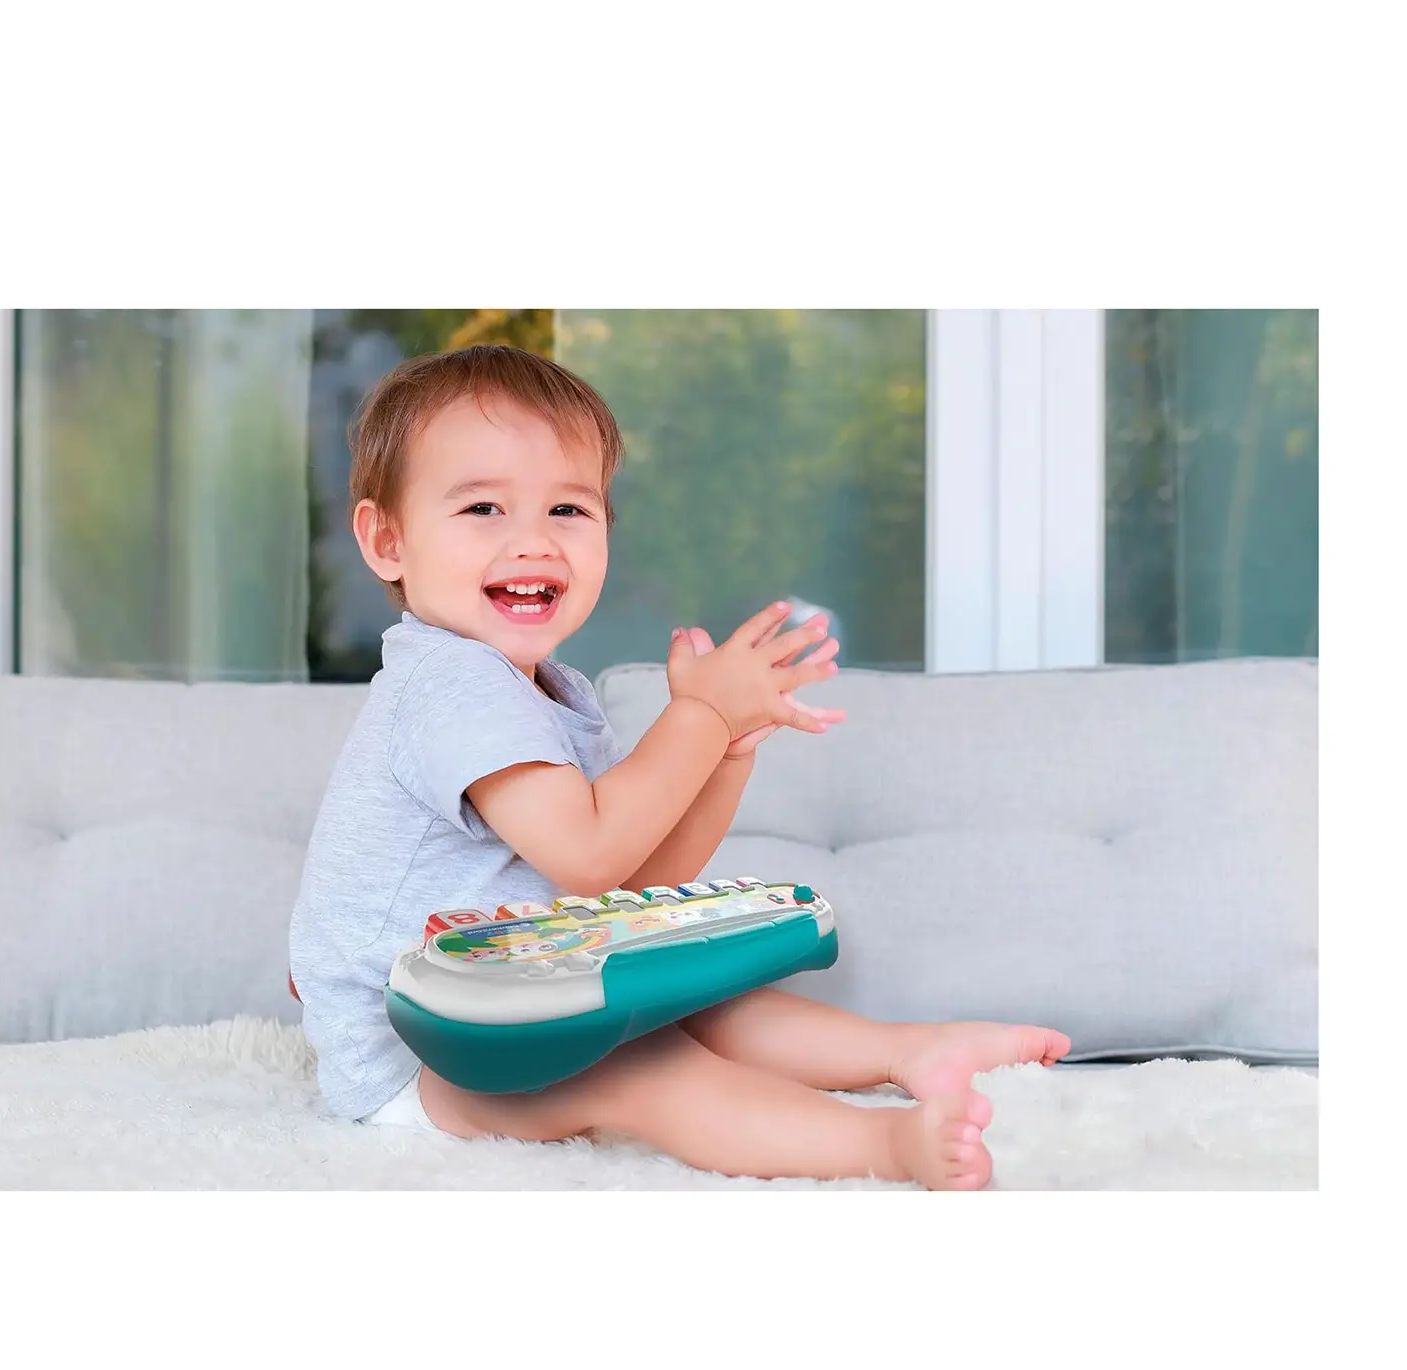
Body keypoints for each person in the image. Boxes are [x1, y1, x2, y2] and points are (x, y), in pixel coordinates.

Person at [289, 345, 1070, 1188]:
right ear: (387, 541)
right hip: (422, 1052)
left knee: (704, 1003)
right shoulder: (449, 683)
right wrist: (699, 716)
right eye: (483, 507)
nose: (534, 540)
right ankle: (882, 1146)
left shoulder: (542, 691)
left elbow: (628, 886)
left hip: (523, 991)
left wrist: (725, 752)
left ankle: (911, 1051)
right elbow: (590, 853)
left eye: (568, 509)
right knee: (643, 1067)